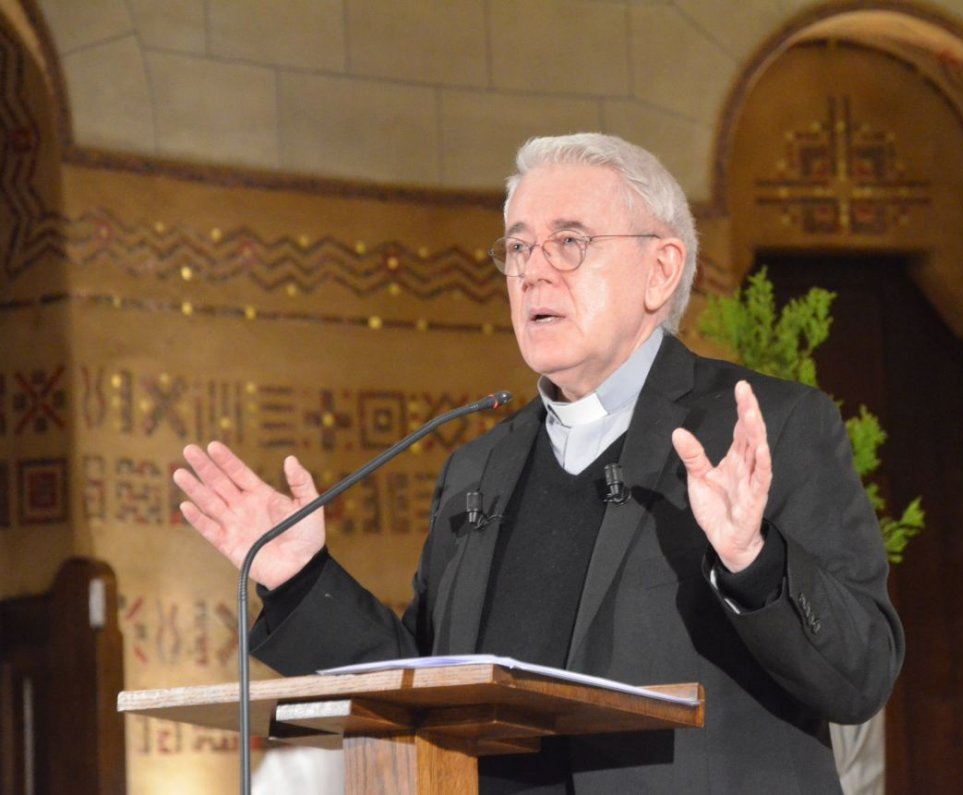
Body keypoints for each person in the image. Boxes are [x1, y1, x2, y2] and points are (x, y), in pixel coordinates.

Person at [174, 133, 904, 793]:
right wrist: (302, 581)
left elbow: (862, 673)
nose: (532, 271)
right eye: (518, 247)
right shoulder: (477, 468)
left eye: (570, 242)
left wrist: (752, 559)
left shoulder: (766, 426)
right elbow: (427, 686)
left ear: (660, 270)